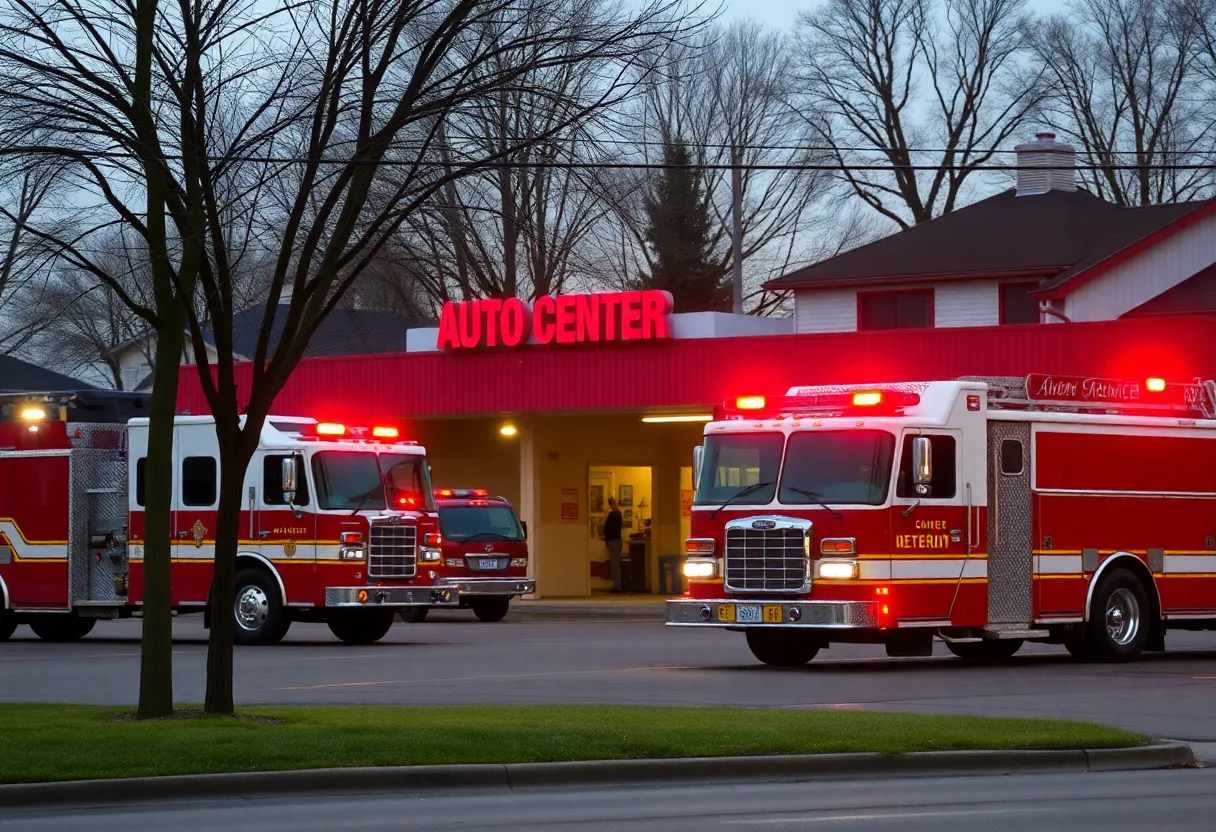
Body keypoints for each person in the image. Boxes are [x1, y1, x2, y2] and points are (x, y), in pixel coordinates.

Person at [604, 497, 624, 593]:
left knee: (615, 564)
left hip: (613, 541)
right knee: (614, 564)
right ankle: (617, 585)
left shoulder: (615, 514)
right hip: (614, 541)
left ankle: (617, 587)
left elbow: (609, 528)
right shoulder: (616, 514)